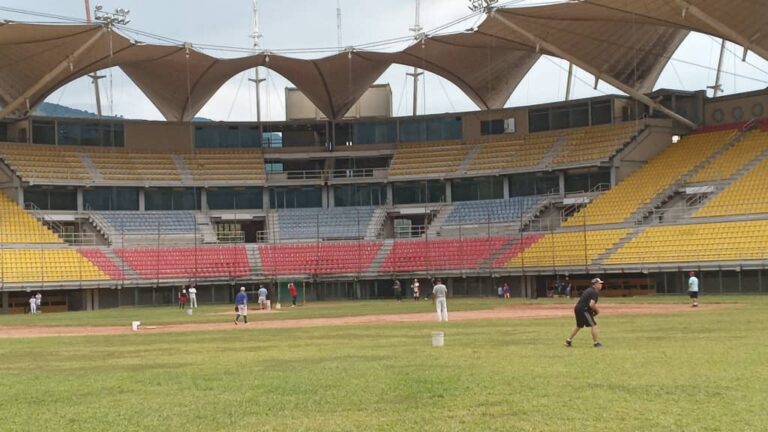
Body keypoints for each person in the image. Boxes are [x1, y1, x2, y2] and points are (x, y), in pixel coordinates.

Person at [565, 277, 604, 348]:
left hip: (578, 308)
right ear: (595, 284)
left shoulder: (589, 290)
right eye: (600, 283)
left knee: (579, 326)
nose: (601, 285)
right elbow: (591, 304)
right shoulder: (594, 292)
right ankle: (596, 343)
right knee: (593, 325)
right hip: (584, 310)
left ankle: (568, 341)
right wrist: (597, 311)